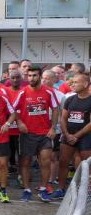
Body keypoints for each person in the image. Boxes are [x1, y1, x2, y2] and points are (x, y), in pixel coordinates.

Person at [14, 66, 59, 202]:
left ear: (40, 76)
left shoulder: (49, 91)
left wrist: (53, 128)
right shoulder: (23, 92)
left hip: (45, 134)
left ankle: (43, 189)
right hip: (28, 134)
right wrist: (19, 122)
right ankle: (27, 190)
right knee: (26, 162)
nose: (31, 78)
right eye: (29, 76)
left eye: (34, 75)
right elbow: (13, 109)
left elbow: (55, 109)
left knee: (46, 161)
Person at [52, 72, 91, 200]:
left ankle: (87, 191)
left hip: (86, 136)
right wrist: (67, 134)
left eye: (76, 82)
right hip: (68, 135)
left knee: (86, 165)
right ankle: (61, 189)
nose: (72, 84)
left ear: (85, 84)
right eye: (72, 82)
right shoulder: (70, 99)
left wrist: (77, 136)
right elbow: (63, 118)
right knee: (63, 161)